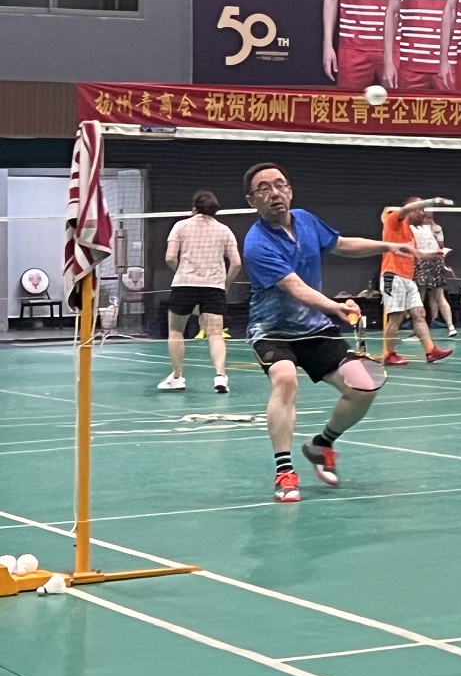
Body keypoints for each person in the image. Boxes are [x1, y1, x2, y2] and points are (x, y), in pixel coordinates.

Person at [241, 162, 402, 503]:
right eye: (263, 189)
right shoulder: (256, 243)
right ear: (252, 200)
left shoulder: (306, 220)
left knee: (363, 386)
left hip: (315, 329)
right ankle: (284, 471)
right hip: (272, 330)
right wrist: (334, 306)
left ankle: (322, 444)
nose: (274, 193)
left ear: (290, 190)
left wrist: (387, 246)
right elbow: (295, 287)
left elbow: (342, 244)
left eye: (280, 185)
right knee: (285, 378)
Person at [158, 191, 240, 394]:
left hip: (184, 285)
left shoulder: (180, 226)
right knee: (215, 334)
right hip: (214, 287)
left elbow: (169, 258)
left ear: (194, 208)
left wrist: (180, 271)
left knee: (175, 331)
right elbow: (236, 263)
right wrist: (225, 283)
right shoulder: (224, 230)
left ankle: (177, 377)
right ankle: (220, 376)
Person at [378, 196, 454, 366]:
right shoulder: (394, 221)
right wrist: (432, 201)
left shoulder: (410, 232)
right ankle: (389, 355)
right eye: (419, 210)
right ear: (410, 210)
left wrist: (435, 254)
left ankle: (431, 351)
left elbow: (416, 255)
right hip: (393, 275)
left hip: (408, 277)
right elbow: (405, 209)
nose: (423, 214)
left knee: (419, 313)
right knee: (396, 317)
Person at [410, 204, 456, 338]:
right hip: (436, 263)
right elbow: (441, 246)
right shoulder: (437, 228)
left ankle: (418, 332)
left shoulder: (413, 228)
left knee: (419, 297)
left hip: (423, 262)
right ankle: (451, 327)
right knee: (440, 296)